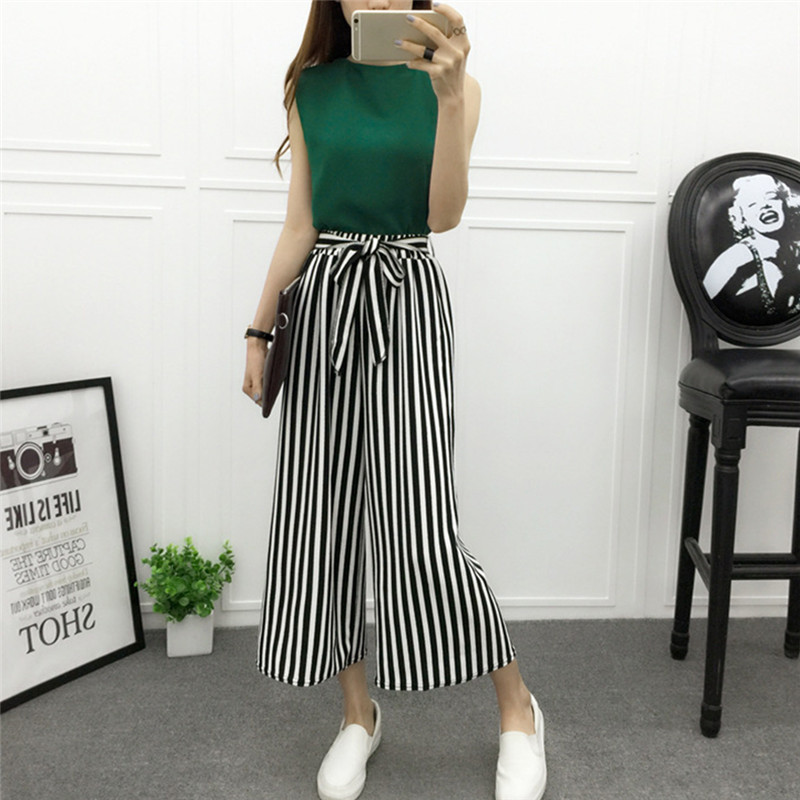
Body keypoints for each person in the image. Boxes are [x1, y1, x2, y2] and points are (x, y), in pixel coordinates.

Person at [242, 2, 546, 799]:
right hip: (324, 308)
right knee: (323, 519)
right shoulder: (310, 87)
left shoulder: (455, 85)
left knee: (422, 524)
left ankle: (517, 707)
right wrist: (258, 329)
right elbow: (300, 224)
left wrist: (446, 96)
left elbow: (442, 216)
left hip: (407, 300)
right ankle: (357, 714)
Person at [702, 173, 800, 324]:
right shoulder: (735, 259)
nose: (765, 205)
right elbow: (703, 310)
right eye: (752, 204)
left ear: (785, 203)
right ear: (742, 217)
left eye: (772, 197)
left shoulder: (797, 249)